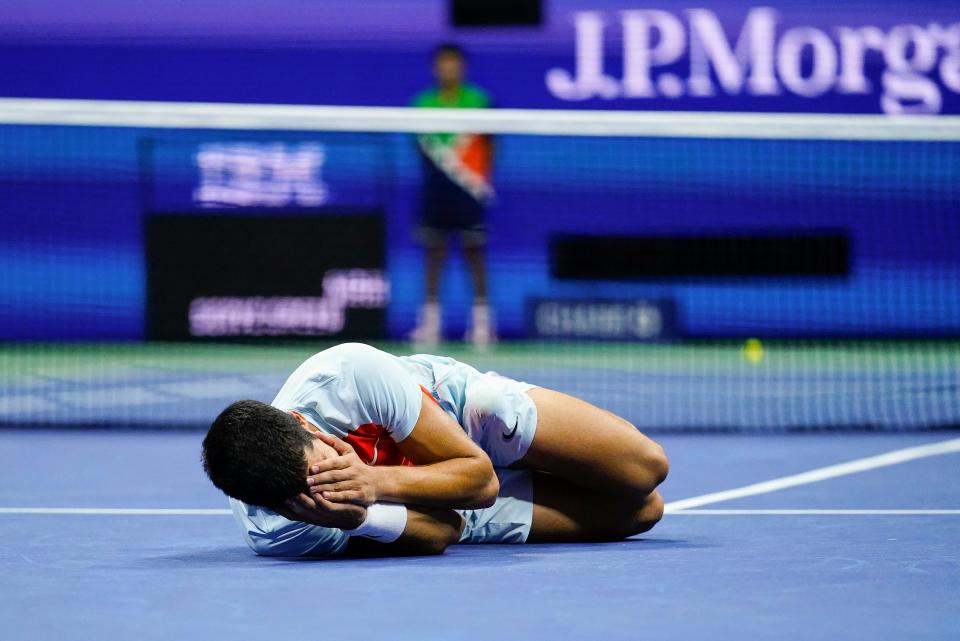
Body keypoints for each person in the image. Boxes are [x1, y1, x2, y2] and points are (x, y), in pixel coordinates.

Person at [202, 343, 668, 557]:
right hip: (423, 499)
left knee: (645, 470)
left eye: (321, 468)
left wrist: (372, 481)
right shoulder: (282, 531)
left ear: (303, 425)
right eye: (307, 495)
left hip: (460, 420)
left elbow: (480, 479)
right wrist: (362, 516)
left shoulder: (346, 375)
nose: (326, 487)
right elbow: (444, 529)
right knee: (643, 512)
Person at [409, 43, 496, 348]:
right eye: (443, 64)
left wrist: (478, 183)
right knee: (434, 254)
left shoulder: (479, 101)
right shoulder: (422, 103)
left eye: (453, 63)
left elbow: (490, 146)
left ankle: (483, 326)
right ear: (436, 68)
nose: (448, 69)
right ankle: (430, 326)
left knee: (474, 255)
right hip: (436, 189)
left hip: (469, 189)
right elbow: (419, 150)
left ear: (461, 67)